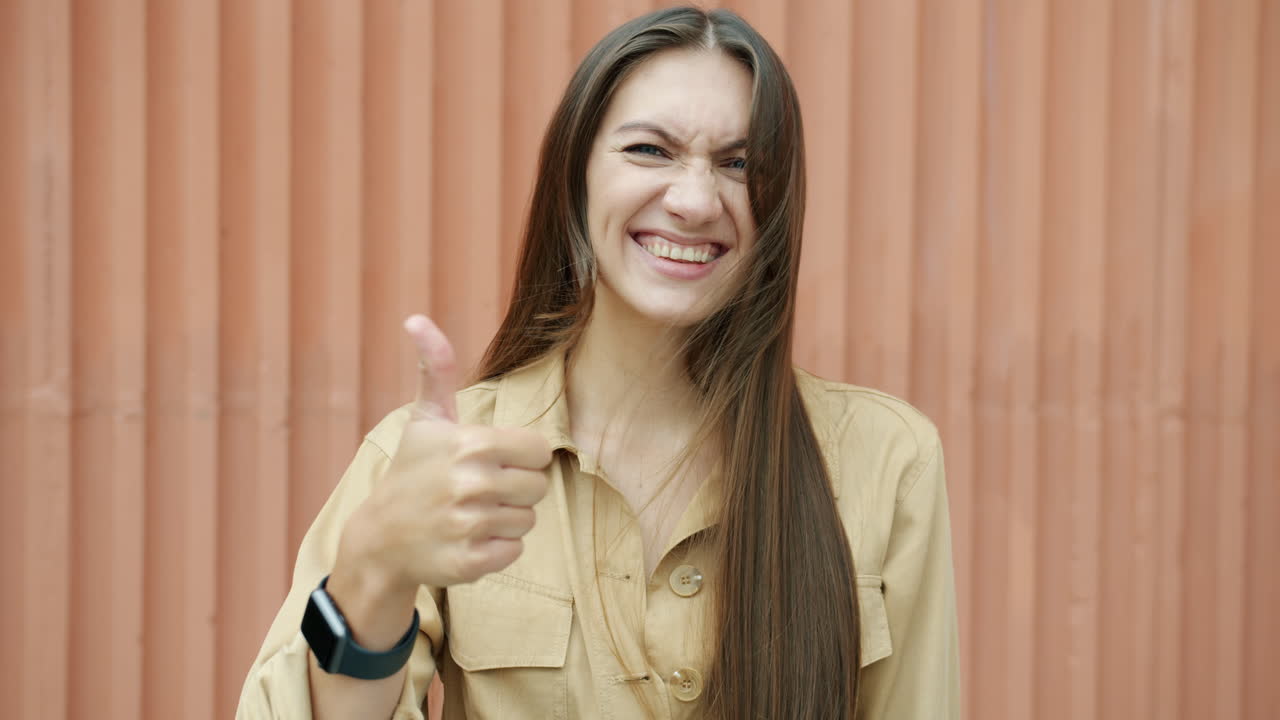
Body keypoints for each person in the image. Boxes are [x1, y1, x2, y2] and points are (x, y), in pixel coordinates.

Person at [237, 6, 960, 719]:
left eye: (739, 164)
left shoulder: (887, 462)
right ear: (575, 176)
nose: (694, 200)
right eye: (650, 150)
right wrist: (374, 568)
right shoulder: (437, 457)